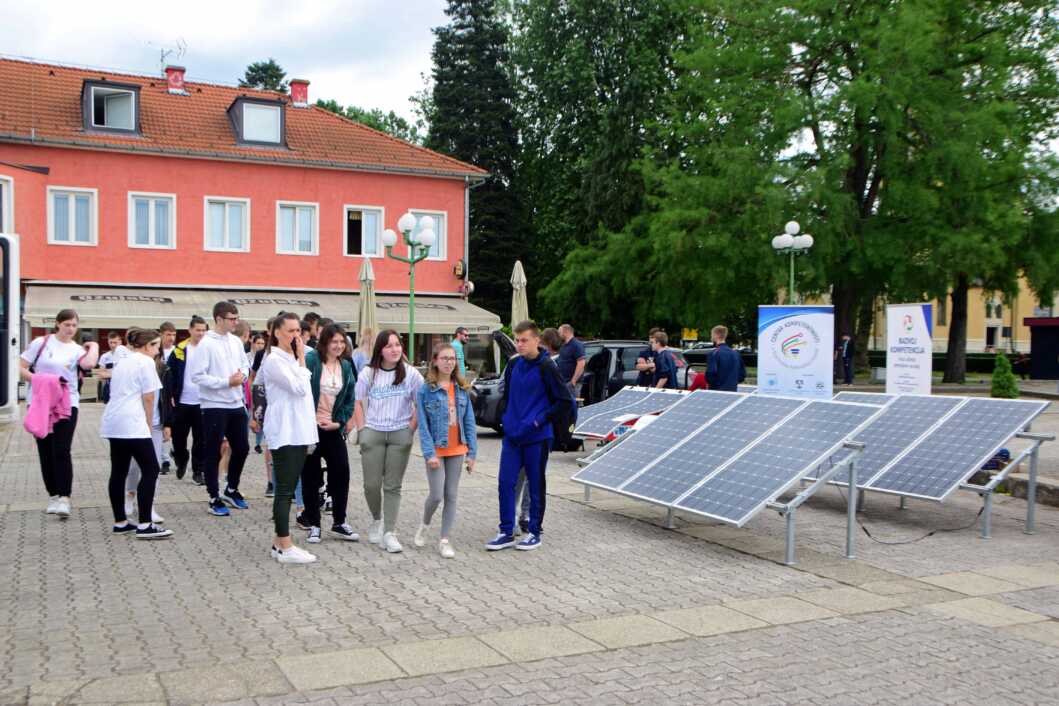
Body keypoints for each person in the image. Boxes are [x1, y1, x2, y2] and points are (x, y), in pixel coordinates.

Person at [486, 320, 573, 552]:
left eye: (524, 340)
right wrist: (508, 418)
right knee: (505, 483)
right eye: (517, 340)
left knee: (535, 485)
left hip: (537, 437)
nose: (519, 344)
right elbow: (508, 394)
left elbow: (564, 402)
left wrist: (538, 420)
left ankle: (534, 532)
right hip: (513, 436)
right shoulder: (514, 364)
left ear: (537, 340)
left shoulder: (547, 366)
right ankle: (505, 531)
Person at [20, 309, 100, 518]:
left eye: (74, 325)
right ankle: (53, 495)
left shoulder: (76, 350)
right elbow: (21, 366)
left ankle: (65, 497)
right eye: (67, 325)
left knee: (61, 449)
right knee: (45, 450)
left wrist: (95, 345)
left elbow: (89, 364)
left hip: (67, 403)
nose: (70, 329)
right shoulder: (41, 343)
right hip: (40, 402)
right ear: (57, 324)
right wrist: (39, 380)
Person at [354, 329, 424, 553]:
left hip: (399, 434)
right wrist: (363, 429)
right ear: (380, 350)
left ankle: (390, 533)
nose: (395, 349)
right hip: (373, 432)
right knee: (371, 485)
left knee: (393, 486)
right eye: (389, 346)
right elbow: (357, 401)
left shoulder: (411, 374)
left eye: (397, 345)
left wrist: (410, 429)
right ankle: (377, 519)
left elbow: (421, 403)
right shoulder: (368, 373)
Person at [101, 328, 172, 539]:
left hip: (113, 420)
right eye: (156, 346)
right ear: (147, 345)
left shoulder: (123, 360)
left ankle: (120, 521)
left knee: (119, 470)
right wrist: (149, 424)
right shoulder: (145, 362)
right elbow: (149, 397)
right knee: (151, 469)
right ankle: (144, 525)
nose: (158, 350)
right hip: (132, 421)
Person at [259, 312, 319, 564]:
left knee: (290, 484)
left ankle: (278, 542)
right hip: (285, 431)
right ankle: (284, 543)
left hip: (299, 429)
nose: (296, 336)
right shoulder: (274, 360)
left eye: (298, 331)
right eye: (291, 331)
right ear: (277, 332)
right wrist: (303, 360)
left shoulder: (291, 360)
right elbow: (299, 388)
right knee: (284, 489)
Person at [414, 343, 477, 558]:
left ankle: (444, 540)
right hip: (437, 450)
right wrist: (429, 453)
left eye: (452, 359)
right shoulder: (425, 390)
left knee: (451, 495)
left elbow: (469, 421)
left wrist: (472, 454)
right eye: (444, 358)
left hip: (457, 449)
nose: (449, 362)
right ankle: (425, 523)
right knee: (436, 495)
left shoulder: (461, 388)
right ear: (435, 361)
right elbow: (422, 425)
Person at [189, 301, 251, 516]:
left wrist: (241, 376)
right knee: (213, 450)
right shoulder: (206, 344)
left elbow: (245, 364)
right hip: (214, 404)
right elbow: (197, 376)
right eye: (231, 319)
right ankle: (213, 496)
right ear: (218, 319)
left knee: (242, 447)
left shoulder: (235, 341)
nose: (235, 322)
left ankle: (231, 488)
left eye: (237, 318)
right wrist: (226, 382)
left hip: (236, 402)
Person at [302, 324, 359, 543]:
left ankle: (339, 521)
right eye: (334, 341)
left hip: (333, 428)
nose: (338, 345)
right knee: (310, 476)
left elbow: (349, 399)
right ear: (325, 342)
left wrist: (340, 422)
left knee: (341, 471)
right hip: (311, 428)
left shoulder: (345, 366)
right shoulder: (312, 362)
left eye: (342, 342)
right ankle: (314, 524)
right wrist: (309, 421)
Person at [124, 338, 173, 525]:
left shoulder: (162, 368)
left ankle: (149, 505)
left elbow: (167, 397)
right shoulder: (133, 366)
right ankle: (129, 495)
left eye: (158, 346)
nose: (157, 349)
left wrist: (168, 423)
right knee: (134, 465)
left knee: (154, 466)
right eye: (154, 345)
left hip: (156, 425)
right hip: (137, 424)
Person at [167, 316, 208, 484]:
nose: (201, 333)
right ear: (190, 330)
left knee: (201, 439)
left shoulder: (209, 348)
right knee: (178, 438)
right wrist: (169, 394)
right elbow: (169, 374)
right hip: (182, 402)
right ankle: (181, 459)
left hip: (202, 401)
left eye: (204, 330)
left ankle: (198, 471)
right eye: (198, 330)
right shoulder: (179, 349)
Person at [705, 325, 746, 392]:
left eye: (711, 334)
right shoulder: (736, 353)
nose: (711, 336)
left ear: (716, 335)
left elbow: (710, 375)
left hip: (716, 392)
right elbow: (742, 375)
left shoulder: (714, 353)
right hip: (732, 391)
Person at [557, 324, 586, 397]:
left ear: (566, 332)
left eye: (559, 332)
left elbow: (581, 364)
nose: (558, 334)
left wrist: (573, 381)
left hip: (572, 384)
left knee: (574, 406)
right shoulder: (563, 345)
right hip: (564, 382)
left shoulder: (577, 345)